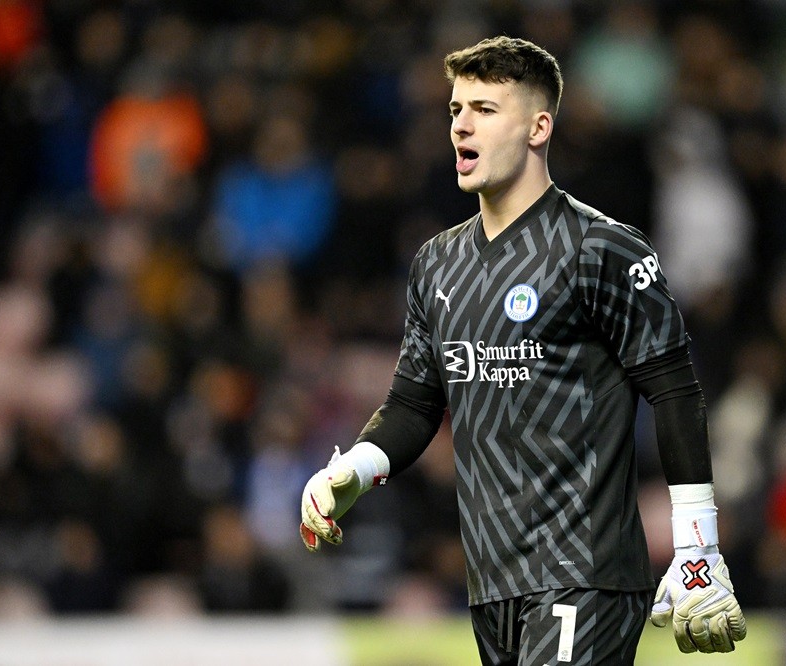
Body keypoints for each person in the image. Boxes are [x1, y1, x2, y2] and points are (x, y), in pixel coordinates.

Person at [300, 36, 746, 665]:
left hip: (584, 572)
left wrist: (697, 547)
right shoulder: (436, 264)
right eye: (455, 110)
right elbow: (414, 405)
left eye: (485, 109)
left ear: (539, 127)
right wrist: (354, 470)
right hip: (492, 581)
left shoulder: (604, 250)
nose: (461, 125)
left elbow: (674, 390)